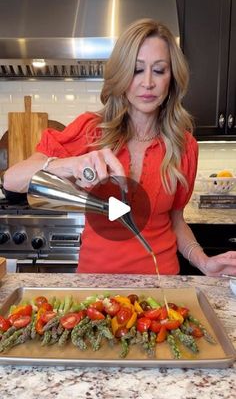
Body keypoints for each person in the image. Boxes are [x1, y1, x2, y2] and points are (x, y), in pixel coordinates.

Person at [3, 18, 236, 277]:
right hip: (96, 288)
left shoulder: (184, 146)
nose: (148, 82)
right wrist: (68, 163)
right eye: (137, 70)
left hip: (160, 289)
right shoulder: (90, 130)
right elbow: (12, 180)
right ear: (122, 74)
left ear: (172, 79)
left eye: (159, 70)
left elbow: (176, 221)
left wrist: (204, 262)